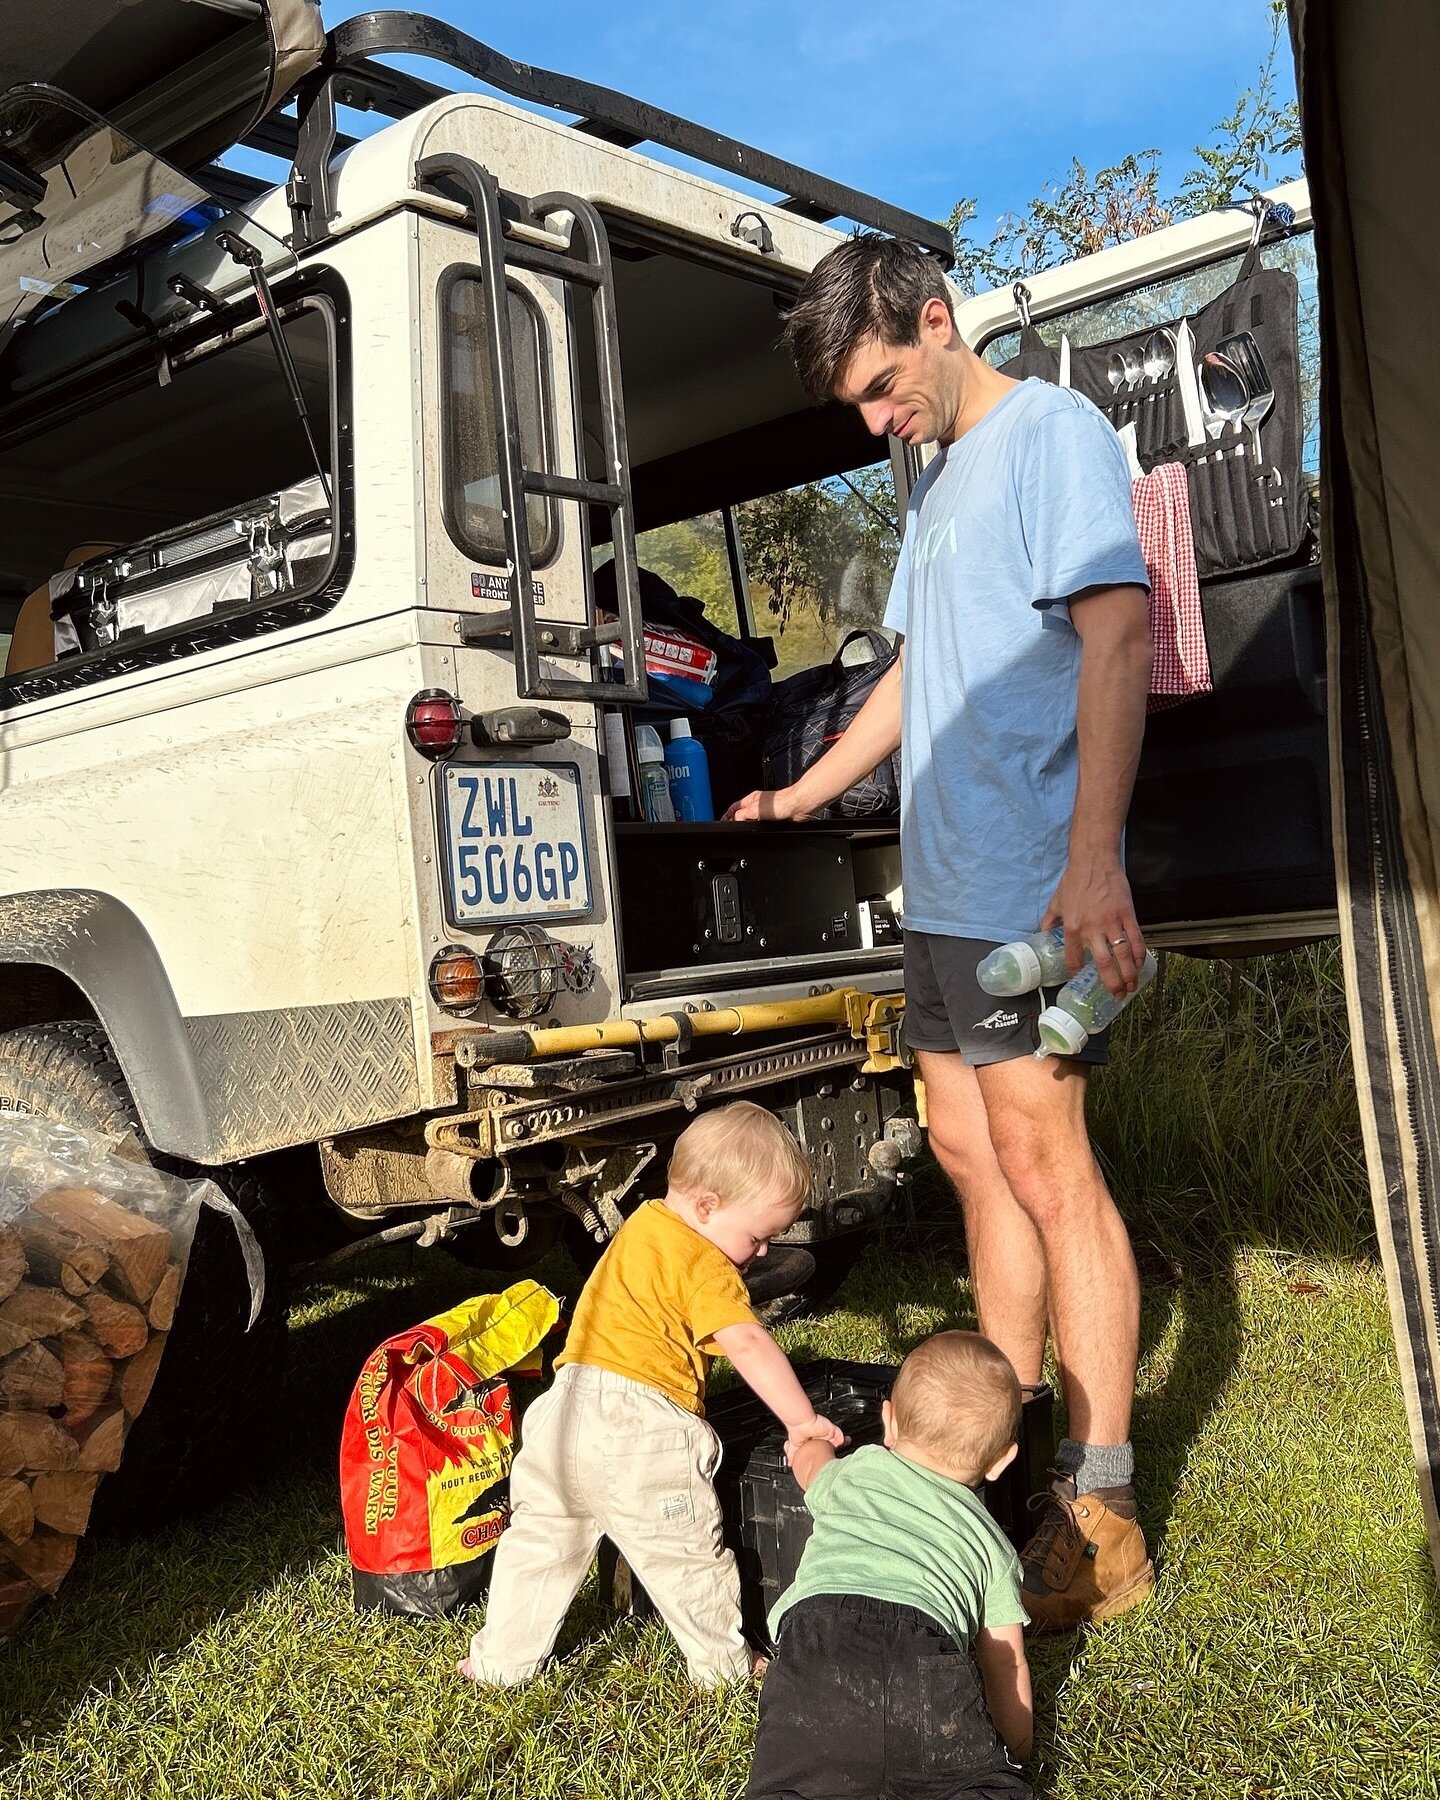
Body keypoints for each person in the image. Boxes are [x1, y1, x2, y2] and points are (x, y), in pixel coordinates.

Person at [728, 233, 1156, 1629]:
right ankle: (1002, 1456)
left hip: (1032, 885)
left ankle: (1101, 1513)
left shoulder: (1054, 437)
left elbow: (1116, 642)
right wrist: (804, 788)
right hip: (942, 888)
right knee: (975, 1165)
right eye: (856, 402)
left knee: (1051, 1168)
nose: (873, 420)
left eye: (880, 386)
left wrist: (1094, 860)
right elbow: (919, 673)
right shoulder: (936, 481)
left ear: (938, 318)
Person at [458, 1101, 843, 1688]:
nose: (763, 1251)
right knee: (687, 1559)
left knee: (536, 1547)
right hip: (638, 1429)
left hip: (561, 1416)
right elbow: (745, 1340)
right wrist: (802, 1423)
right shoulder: (705, 1260)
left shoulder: (639, 1228)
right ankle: (725, 1668)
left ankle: (499, 1665)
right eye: (758, 1236)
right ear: (708, 1207)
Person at [746, 1331, 1033, 1800]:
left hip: (817, 1639)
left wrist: (811, 1441)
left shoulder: (858, 1470)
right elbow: (1005, 1661)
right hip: (921, 1649)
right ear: (1003, 1461)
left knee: (793, 1776)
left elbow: (812, 1466)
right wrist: (1016, 1750)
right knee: (970, 1785)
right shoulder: (992, 1545)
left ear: (888, 1422)